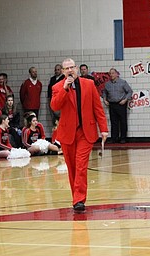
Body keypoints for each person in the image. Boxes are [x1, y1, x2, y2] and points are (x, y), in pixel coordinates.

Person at [50, 58, 108, 212]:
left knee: (81, 165)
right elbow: (55, 106)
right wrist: (64, 88)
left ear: (76, 68)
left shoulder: (89, 84)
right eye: (66, 68)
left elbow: (98, 108)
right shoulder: (57, 87)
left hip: (85, 132)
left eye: (72, 67)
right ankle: (76, 197)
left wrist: (103, 128)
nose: (70, 70)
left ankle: (79, 200)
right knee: (72, 168)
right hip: (67, 133)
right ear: (62, 72)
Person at [102, 68, 133, 144]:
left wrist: (125, 100)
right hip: (112, 105)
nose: (111, 75)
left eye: (113, 73)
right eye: (110, 73)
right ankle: (114, 138)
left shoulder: (123, 82)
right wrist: (105, 99)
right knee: (114, 122)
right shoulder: (107, 84)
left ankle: (123, 138)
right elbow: (104, 92)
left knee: (123, 122)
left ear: (116, 74)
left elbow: (130, 91)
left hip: (121, 104)